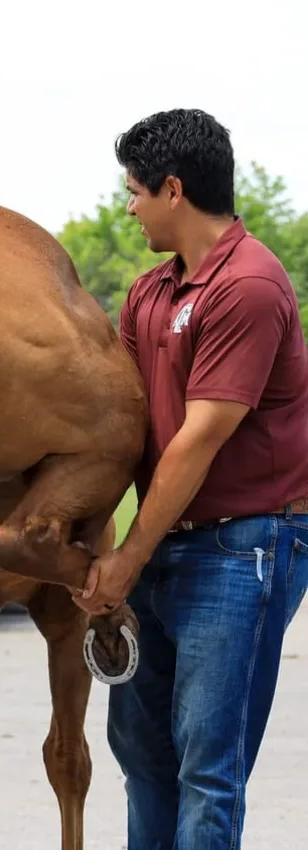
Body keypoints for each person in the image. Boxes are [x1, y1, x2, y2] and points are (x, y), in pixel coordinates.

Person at [72, 110, 308, 849]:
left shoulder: (250, 287)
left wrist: (124, 561)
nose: (129, 207)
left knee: (209, 768)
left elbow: (198, 439)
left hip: (245, 546)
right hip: (163, 541)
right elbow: (122, 428)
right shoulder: (149, 293)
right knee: (142, 753)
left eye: (136, 192)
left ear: (173, 190)